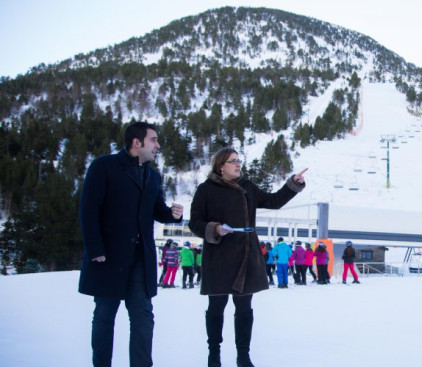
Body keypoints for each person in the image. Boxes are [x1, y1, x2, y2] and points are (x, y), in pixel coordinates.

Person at [78, 121, 183, 367]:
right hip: (108, 257)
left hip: (139, 258)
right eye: (153, 140)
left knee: (143, 317)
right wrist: (95, 249)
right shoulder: (104, 166)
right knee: (104, 316)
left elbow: (156, 210)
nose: (158, 145)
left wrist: (172, 215)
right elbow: (88, 209)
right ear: (137, 142)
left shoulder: (153, 175)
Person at [188, 147, 306, 367]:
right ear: (221, 166)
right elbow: (194, 222)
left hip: (245, 255)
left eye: (239, 161)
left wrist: (294, 184)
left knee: (244, 309)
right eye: (233, 161)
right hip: (219, 257)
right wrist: (214, 229)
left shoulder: (247, 187)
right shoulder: (206, 189)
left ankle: (243, 355)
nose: (238, 164)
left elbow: (274, 201)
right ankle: (214, 354)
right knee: (216, 307)